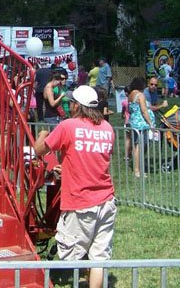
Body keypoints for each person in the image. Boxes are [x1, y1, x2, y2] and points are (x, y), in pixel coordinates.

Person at [34, 85, 115, 288]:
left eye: (70, 103)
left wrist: (43, 134)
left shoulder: (68, 126)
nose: (68, 107)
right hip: (106, 201)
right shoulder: (107, 128)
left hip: (80, 202)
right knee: (99, 258)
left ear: (77, 106)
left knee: (70, 253)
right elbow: (93, 159)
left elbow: (39, 151)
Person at [127, 76, 155, 178]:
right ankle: (137, 170)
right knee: (140, 146)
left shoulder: (130, 95)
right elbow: (144, 110)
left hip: (134, 123)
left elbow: (129, 109)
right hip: (141, 124)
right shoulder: (140, 95)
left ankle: (138, 166)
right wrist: (150, 123)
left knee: (136, 146)